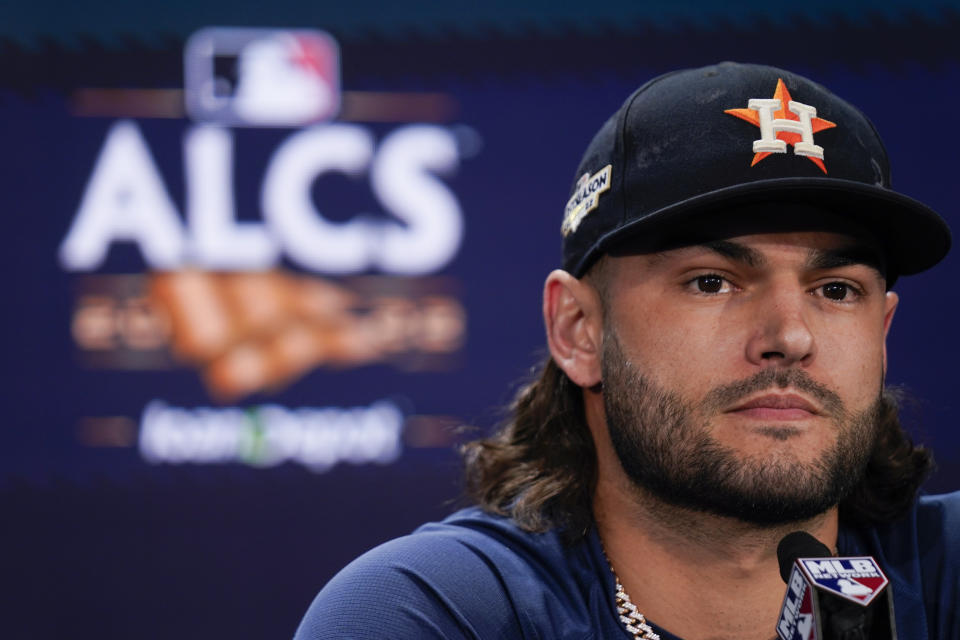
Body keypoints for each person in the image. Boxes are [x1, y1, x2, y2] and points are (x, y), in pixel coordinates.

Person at [294, 62, 959, 639]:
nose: (790, 336)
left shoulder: (946, 578)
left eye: (837, 289)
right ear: (579, 330)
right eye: (712, 282)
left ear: (883, 332)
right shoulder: (432, 614)